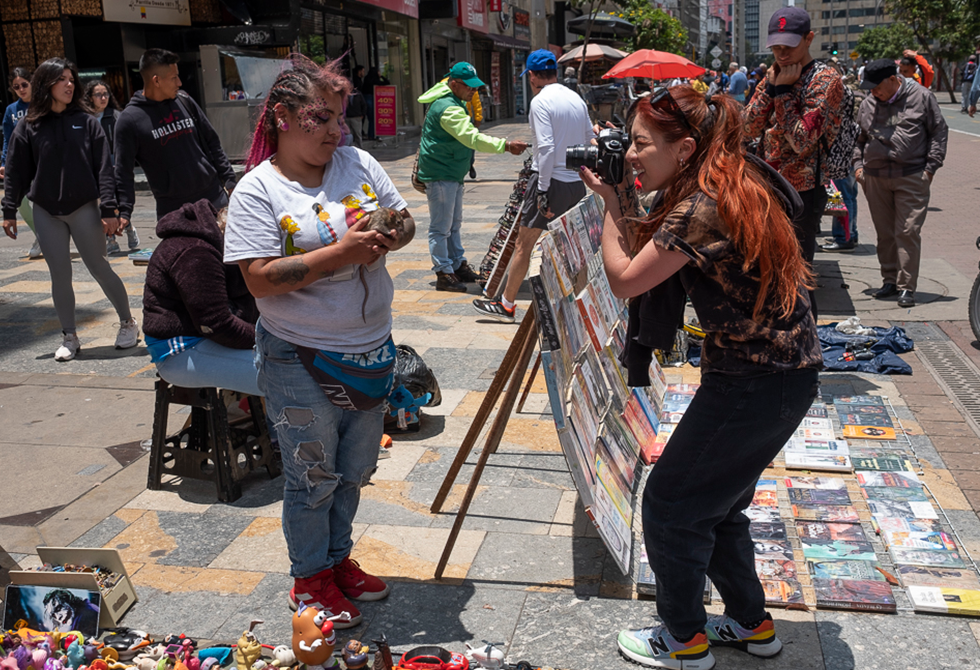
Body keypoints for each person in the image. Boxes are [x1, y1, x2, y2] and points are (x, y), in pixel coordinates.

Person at [580, 86, 820, 669]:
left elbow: (627, 279)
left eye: (640, 144)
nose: (630, 154)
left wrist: (612, 205)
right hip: (780, 375)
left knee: (669, 505)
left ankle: (684, 638)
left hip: (754, 381)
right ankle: (750, 623)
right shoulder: (728, 183)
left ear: (685, 148)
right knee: (717, 507)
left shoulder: (703, 205)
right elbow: (660, 249)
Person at [224, 55, 416, 626]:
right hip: (297, 354)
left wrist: (389, 232)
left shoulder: (356, 163)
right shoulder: (258, 190)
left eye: (339, 117)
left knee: (355, 469)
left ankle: (336, 561)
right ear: (282, 118)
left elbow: (403, 221)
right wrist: (340, 254)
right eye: (322, 118)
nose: (337, 130)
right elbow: (257, 277)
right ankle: (308, 579)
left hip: (370, 346)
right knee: (311, 476)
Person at [1, 58, 139, 361]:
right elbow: (15, 171)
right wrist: (9, 209)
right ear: (46, 84)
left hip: (84, 208)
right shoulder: (28, 125)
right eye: (61, 79)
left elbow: (105, 168)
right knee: (59, 274)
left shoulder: (87, 121)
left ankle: (128, 323)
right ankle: (69, 336)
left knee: (99, 267)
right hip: (47, 211)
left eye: (71, 79)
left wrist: (110, 209)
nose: (69, 84)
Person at [472, 49, 592, 322]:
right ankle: (579, 305)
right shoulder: (576, 99)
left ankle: (507, 305)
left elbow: (547, 149)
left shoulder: (540, 103)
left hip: (550, 181)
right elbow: (588, 139)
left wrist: (542, 189)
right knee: (572, 246)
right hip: (575, 183)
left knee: (524, 244)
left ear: (534, 76)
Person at [744, 5, 845, 320]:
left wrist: (784, 94)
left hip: (801, 191)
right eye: (776, 46)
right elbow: (747, 127)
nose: (781, 52)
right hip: (764, 186)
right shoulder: (772, 74)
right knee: (762, 272)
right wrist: (771, 89)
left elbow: (802, 140)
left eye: (788, 45)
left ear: (809, 38)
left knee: (796, 276)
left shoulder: (826, 80)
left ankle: (805, 353)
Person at [416, 62, 527, 292]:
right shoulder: (448, 107)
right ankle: (443, 272)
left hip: (451, 172)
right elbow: (471, 138)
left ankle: (456, 265)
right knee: (441, 227)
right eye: (470, 88)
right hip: (441, 173)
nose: (473, 92)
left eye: (476, 88)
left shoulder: (455, 100)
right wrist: (504, 145)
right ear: (454, 84)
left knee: (453, 225)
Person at [853, 59, 947, 308]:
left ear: (894, 79)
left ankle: (907, 287)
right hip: (875, 177)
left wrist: (930, 169)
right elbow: (858, 138)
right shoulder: (868, 103)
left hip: (912, 175)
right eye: (870, 88)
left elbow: (938, 131)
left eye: (877, 87)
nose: (874, 92)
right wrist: (858, 168)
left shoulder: (922, 97)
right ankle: (890, 281)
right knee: (885, 234)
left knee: (907, 232)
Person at [143, 199, 261, 393]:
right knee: (289, 376)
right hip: (181, 351)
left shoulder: (216, 244)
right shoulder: (196, 253)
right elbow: (216, 325)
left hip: (206, 339)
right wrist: (269, 339)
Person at [114, 48, 237, 225]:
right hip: (174, 211)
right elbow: (123, 171)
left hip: (214, 198)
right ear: (156, 80)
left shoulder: (184, 100)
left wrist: (230, 179)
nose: (179, 82)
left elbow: (212, 141)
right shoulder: (130, 120)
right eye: (174, 78)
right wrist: (124, 210)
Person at [83, 79, 139, 254]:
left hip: (115, 166)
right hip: (94, 169)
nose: (103, 98)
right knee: (103, 204)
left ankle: (127, 226)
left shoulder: (116, 116)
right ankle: (111, 239)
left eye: (105, 94)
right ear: (90, 98)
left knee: (114, 203)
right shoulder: (85, 118)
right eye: (98, 94)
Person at [1, 68, 39, 259]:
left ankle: (50, 236)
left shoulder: (42, 105)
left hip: (41, 161)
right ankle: (40, 235)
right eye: (16, 87)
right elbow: (8, 140)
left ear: (32, 82)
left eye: (24, 84)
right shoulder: (11, 110)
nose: (21, 89)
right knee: (21, 202)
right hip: (21, 164)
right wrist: (4, 162)